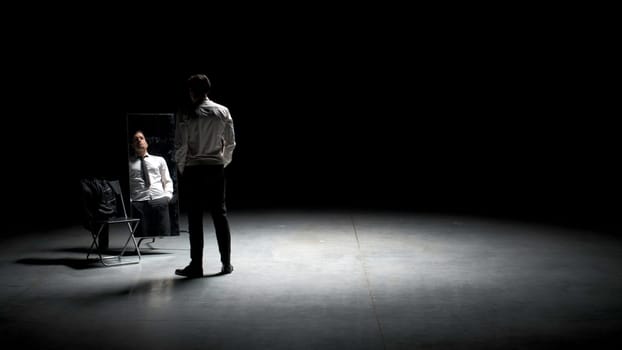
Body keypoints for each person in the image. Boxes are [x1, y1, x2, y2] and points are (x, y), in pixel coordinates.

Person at [174, 74, 236, 278]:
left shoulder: (186, 113)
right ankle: (226, 263)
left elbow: (181, 145)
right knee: (220, 214)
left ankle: (196, 266)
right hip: (215, 168)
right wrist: (221, 163)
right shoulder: (222, 111)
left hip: (194, 168)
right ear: (207, 89)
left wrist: (182, 168)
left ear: (191, 91)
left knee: (194, 218)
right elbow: (230, 144)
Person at [128, 130, 174, 237]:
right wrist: (130, 200)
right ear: (132, 145)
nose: (139, 141)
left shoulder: (159, 160)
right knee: (142, 234)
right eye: (136, 139)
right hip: (138, 202)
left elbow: (167, 179)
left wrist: (167, 196)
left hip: (159, 199)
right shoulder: (129, 163)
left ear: (146, 142)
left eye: (141, 138)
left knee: (164, 232)